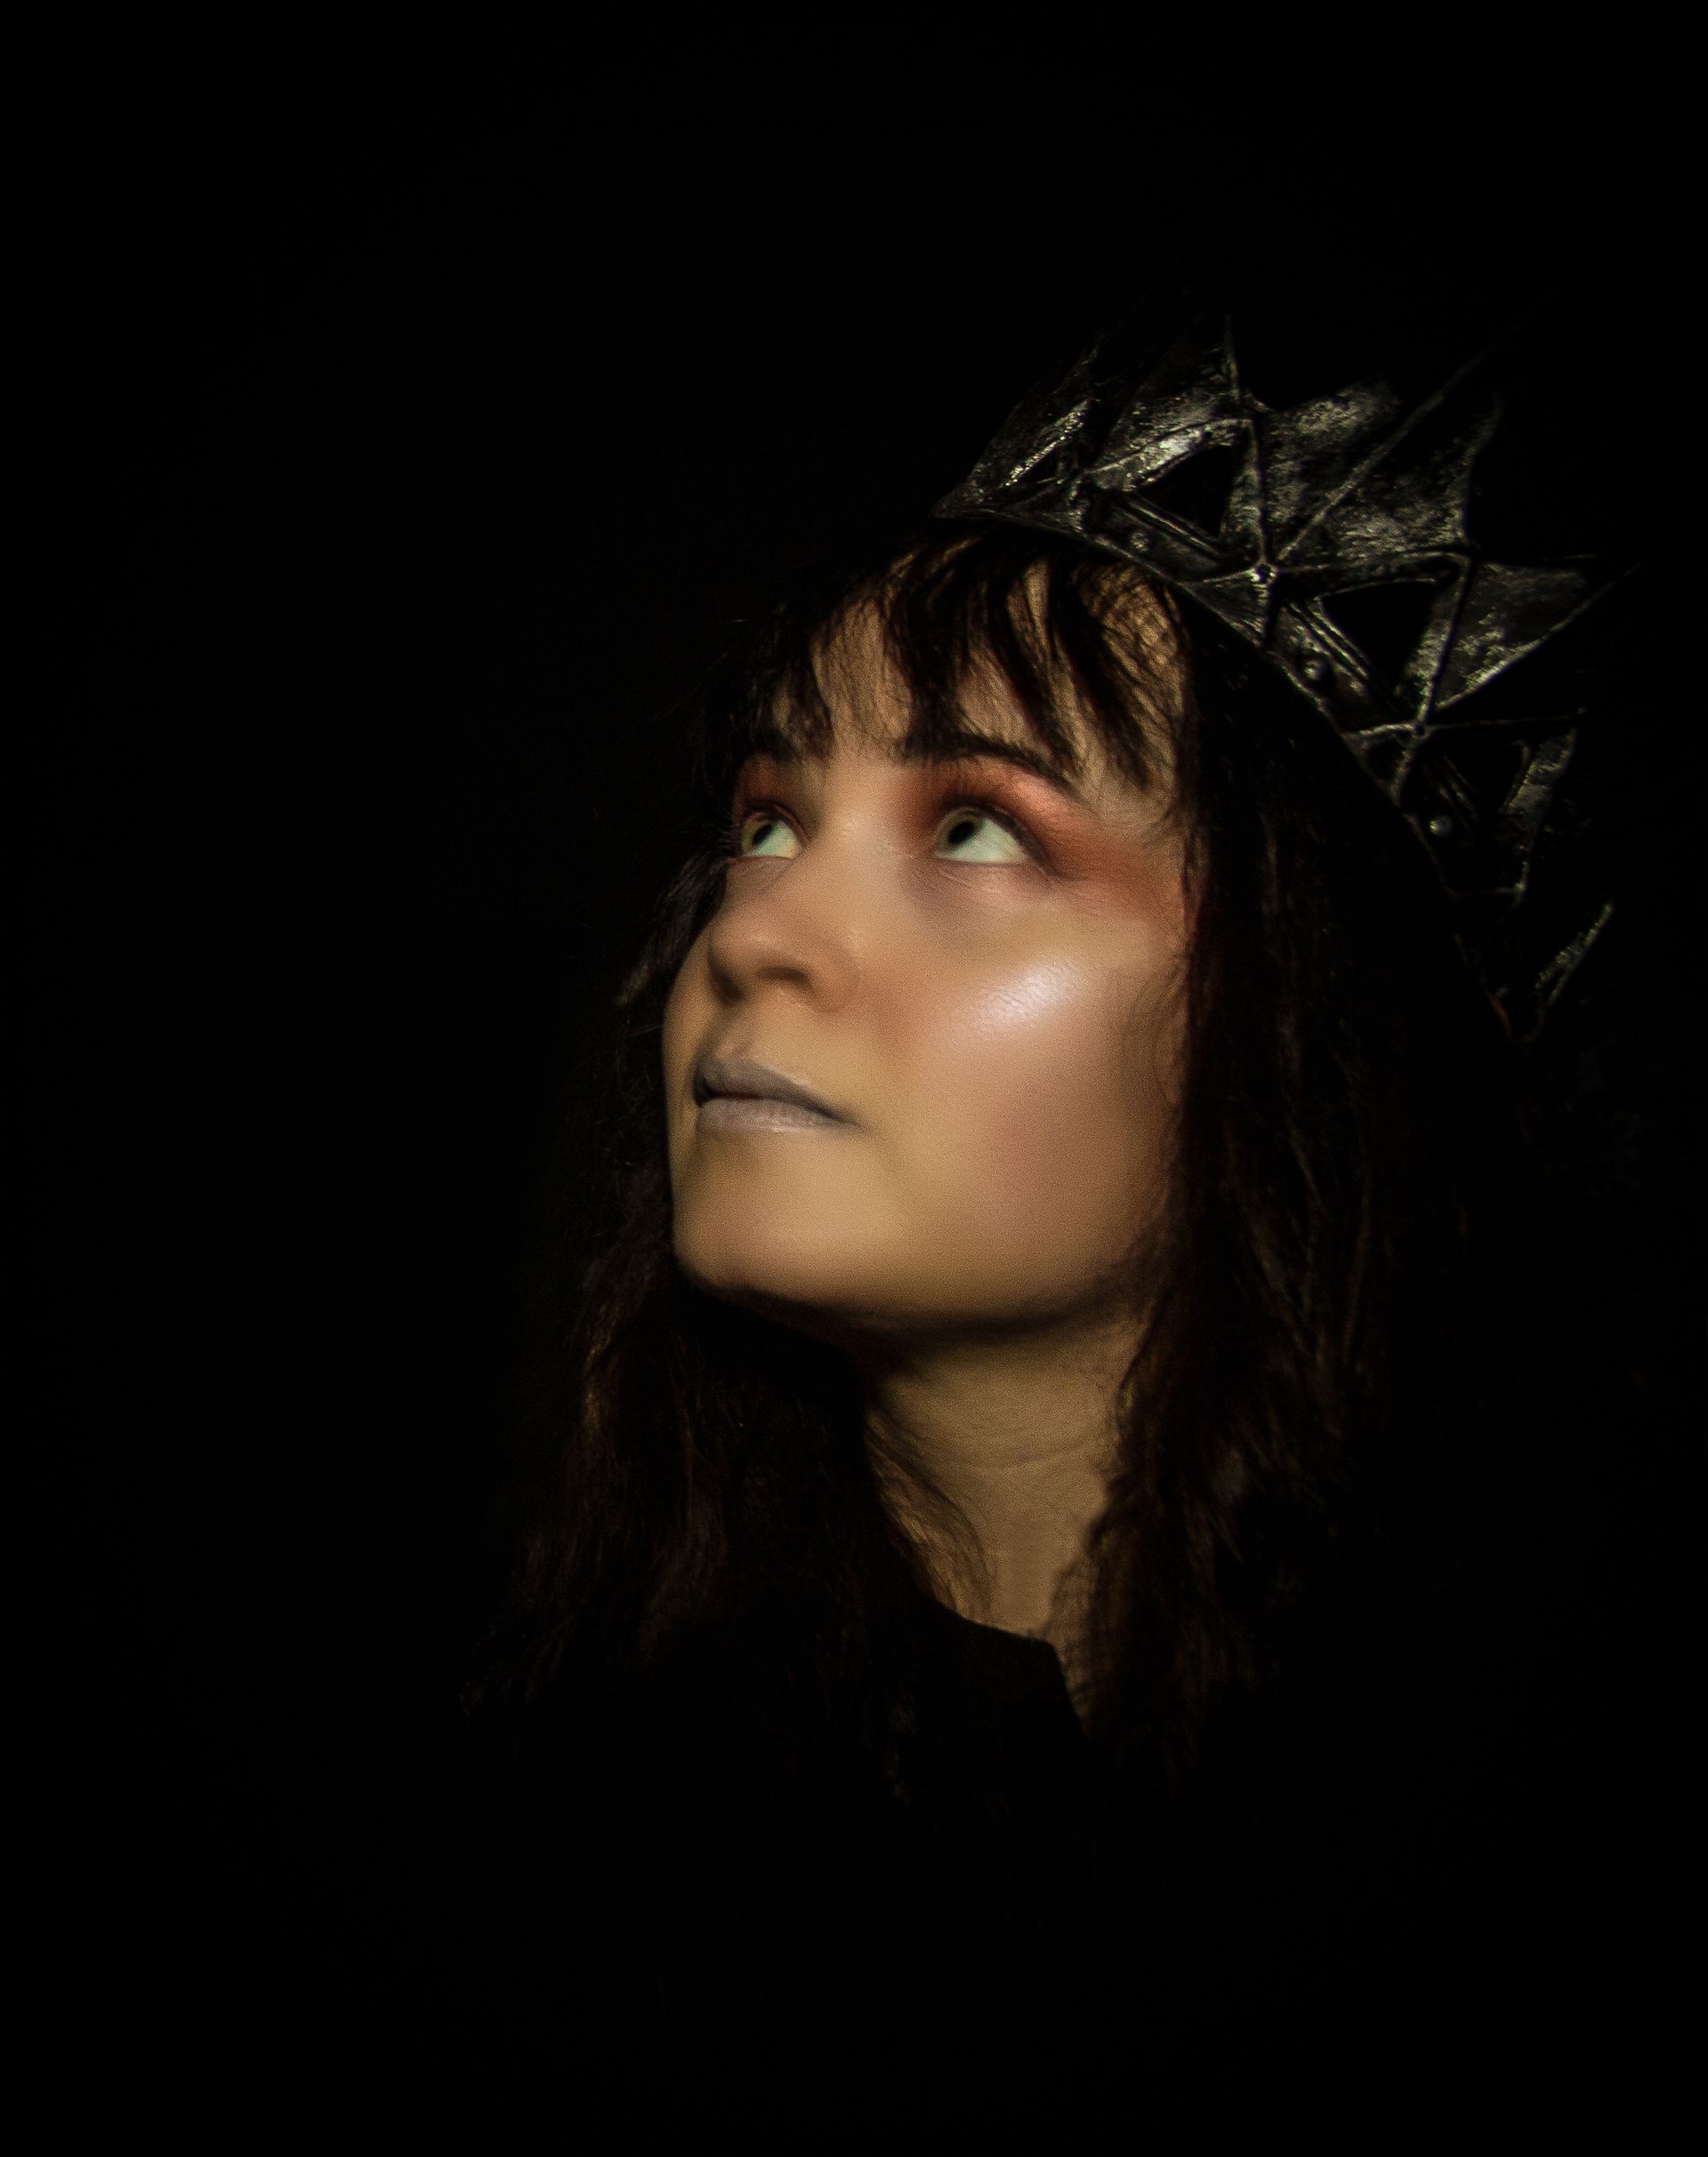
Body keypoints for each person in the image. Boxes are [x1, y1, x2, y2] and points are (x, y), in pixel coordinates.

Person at [432, 301, 1656, 2130]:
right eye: (767, 820)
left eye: (977, 829)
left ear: (1327, 1014)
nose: (757, 930)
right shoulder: (549, 1839)